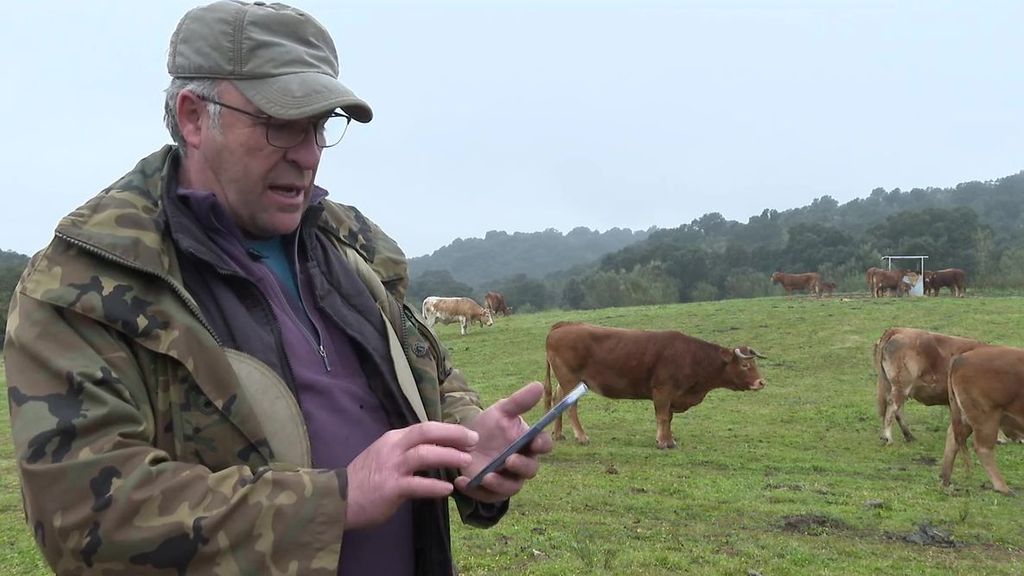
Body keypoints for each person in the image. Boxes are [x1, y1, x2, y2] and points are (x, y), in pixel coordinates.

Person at [3, 1, 552, 574]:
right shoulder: (86, 283)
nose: (309, 152)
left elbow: (431, 381)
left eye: (320, 125)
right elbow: (87, 520)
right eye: (281, 123)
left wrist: (471, 443)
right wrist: (335, 499)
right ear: (194, 117)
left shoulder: (351, 248)